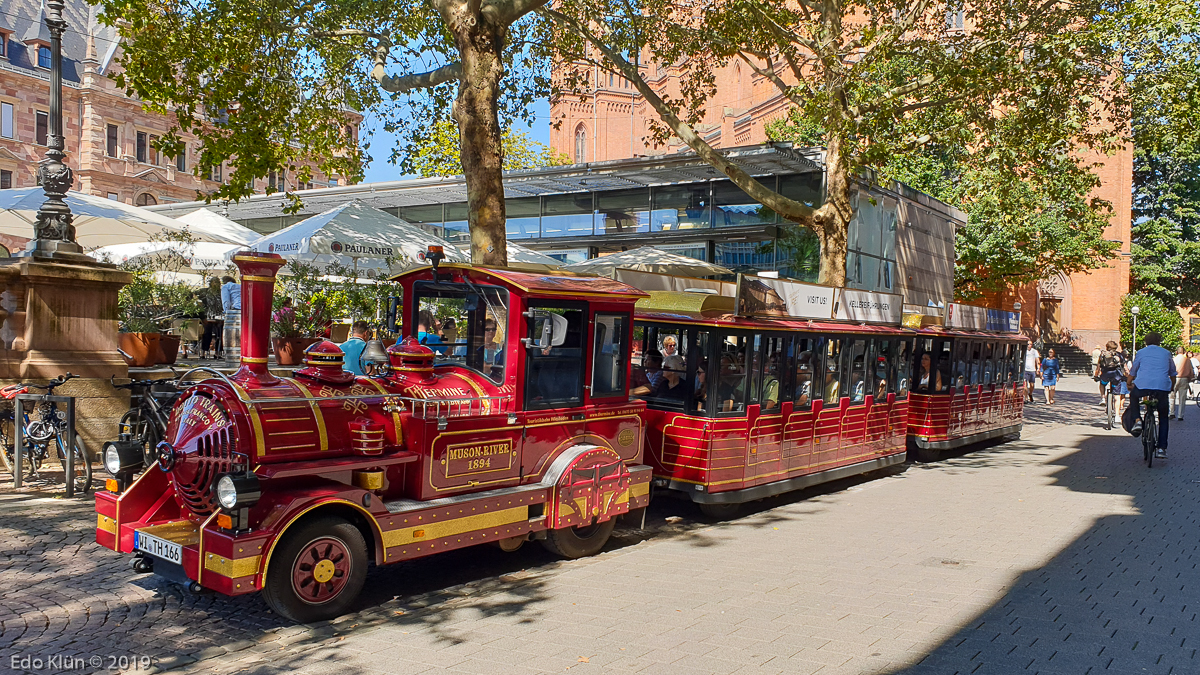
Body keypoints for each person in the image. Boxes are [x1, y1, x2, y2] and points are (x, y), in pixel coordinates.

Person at [1124, 332, 1177, 458]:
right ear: (1159, 341)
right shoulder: (1166, 353)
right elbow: (1173, 373)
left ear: (1146, 341)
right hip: (1161, 387)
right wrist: (1171, 387)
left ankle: (1137, 420)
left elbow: (1133, 370)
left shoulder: (1141, 352)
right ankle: (1162, 449)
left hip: (1143, 385)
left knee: (1134, 396)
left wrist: (1129, 383)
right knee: (1163, 417)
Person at [1095, 340, 1128, 422]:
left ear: (1107, 347)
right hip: (1116, 376)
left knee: (1102, 384)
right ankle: (1117, 416)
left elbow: (1098, 367)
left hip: (1105, 375)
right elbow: (1125, 367)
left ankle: (1103, 398)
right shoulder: (1119, 355)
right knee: (1117, 396)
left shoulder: (1103, 355)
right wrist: (1128, 376)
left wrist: (1096, 376)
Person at [220, 274, 241, 365]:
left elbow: (226, 301)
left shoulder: (226, 287)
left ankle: (231, 357)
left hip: (235, 312)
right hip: (245, 311)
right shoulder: (240, 286)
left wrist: (226, 313)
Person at [1171, 346, 1194, 421]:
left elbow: (1170, 370)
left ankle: (1171, 413)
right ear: (1184, 352)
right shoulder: (1187, 360)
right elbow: (1191, 371)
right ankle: (1180, 415)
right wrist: (1190, 378)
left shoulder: (1173, 359)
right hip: (1184, 379)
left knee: (1172, 397)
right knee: (1182, 398)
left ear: (1176, 352)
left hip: (1174, 378)